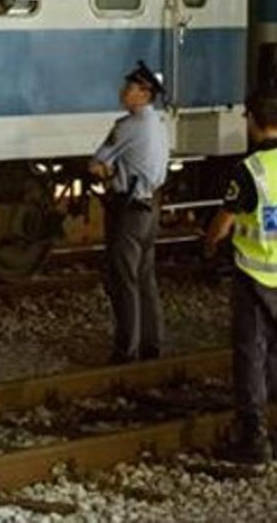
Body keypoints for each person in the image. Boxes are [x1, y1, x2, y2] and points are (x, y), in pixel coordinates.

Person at [203, 94, 277, 464]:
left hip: (257, 276)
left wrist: (208, 246)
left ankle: (254, 437)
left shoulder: (251, 170)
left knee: (251, 352)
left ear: (252, 120)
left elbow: (224, 222)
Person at [88, 61, 169, 365]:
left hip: (129, 211)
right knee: (146, 278)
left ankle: (126, 350)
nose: (124, 91)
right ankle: (153, 343)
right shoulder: (159, 124)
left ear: (145, 94)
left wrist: (107, 170)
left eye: (131, 87)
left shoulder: (127, 126)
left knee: (124, 281)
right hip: (151, 208)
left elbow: (95, 165)